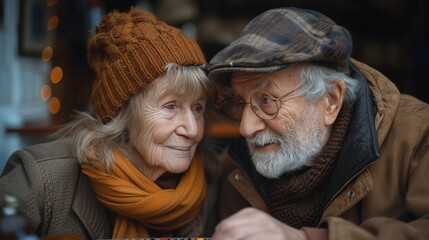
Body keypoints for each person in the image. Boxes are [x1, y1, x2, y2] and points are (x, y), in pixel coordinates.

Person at [207, 7, 429, 240]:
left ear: (331, 101)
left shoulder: (417, 139)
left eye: (267, 100)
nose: (245, 128)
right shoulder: (233, 167)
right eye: (241, 103)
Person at [0, 7, 219, 239]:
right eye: (170, 106)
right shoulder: (41, 178)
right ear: (121, 113)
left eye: (198, 108)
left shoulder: (212, 180)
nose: (193, 129)